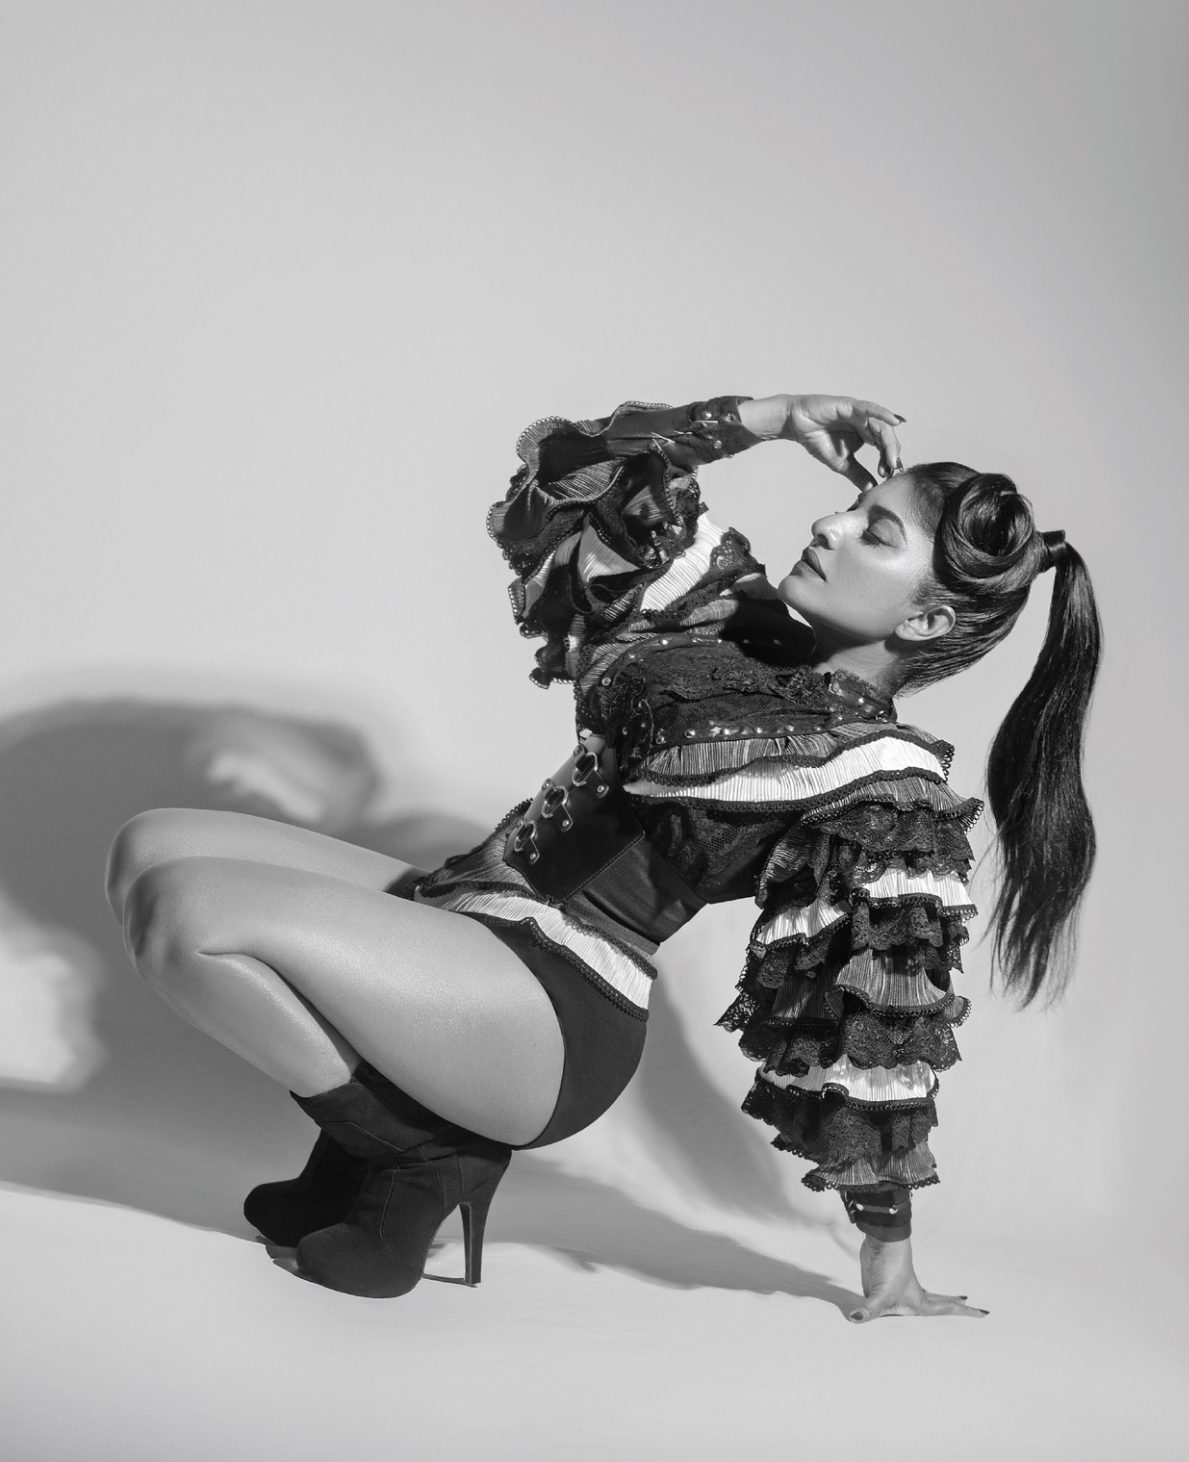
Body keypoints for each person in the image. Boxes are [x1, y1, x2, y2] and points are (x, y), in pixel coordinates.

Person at [104, 390, 1101, 1317]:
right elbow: (574, 466)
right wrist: (764, 418)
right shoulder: (724, 612)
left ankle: (415, 1155)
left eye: (874, 532)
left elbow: (879, 1024)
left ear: (927, 619)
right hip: (470, 910)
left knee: (184, 923)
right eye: (852, 507)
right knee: (146, 850)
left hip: (556, 1008)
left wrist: (890, 1257)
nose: (829, 524)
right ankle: (387, 1151)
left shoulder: (881, 777)